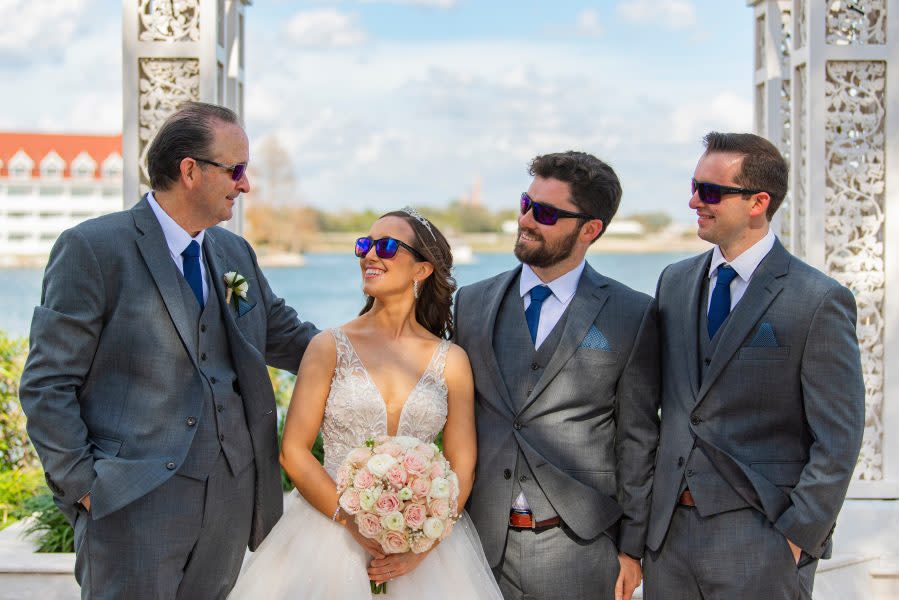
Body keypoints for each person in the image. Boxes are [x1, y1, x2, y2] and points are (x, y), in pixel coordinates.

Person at [18, 102, 318, 599]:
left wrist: (387, 347)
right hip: (131, 503)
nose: (245, 185)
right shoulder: (93, 248)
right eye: (236, 170)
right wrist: (86, 488)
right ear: (190, 171)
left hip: (229, 499)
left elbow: (286, 336)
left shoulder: (233, 252)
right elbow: (48, 383)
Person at [227, 208, 502, 599]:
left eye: (387, 247)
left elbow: (462, 463)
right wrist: (351, 521)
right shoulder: (328, 347)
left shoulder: (451, 360)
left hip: (424, 554)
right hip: (326, 535)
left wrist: (425, 543)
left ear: (422, 270)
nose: (370, 255)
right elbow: (293, 451)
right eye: (364, 245)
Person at [643, 132, 865, 600]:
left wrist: (796, 537)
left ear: (758, 202)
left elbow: (839, 436)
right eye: (693, 185)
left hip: (762, 538)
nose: (693, 201)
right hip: (668, 540)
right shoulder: (675, 282)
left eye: (709, 192)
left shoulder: (817, 300)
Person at [454, 151, 660, 600]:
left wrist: (632, 550)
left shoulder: (633, 313)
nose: (526, 219)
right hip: (477, 549)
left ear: (590, 229)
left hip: (581, 552)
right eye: (526, 203)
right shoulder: (470, 303)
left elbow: (638, 440)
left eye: (545, 213)